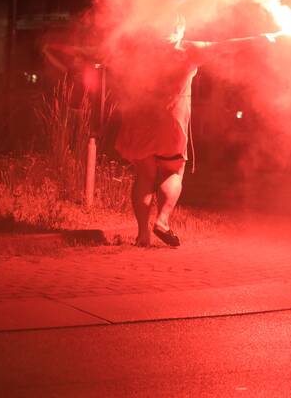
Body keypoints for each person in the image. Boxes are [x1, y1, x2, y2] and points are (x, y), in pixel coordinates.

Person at [115, 15, 279, 247]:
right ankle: (162, 221)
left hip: (141, 119)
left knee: (144, 175)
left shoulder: (143, 51)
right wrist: (261, 38)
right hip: (171, 122)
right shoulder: (188, 50)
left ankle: (142, 234)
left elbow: (114, 61)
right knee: (173, 170)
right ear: (180, 28)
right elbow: (225, 46)